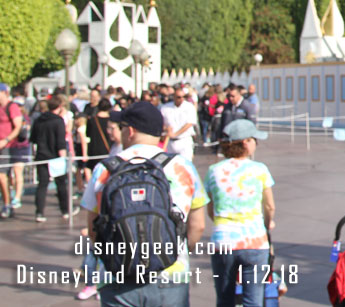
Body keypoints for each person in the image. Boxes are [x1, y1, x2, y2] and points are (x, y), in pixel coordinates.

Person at [82, 100, 208, 305]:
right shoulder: (182, 167)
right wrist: (178, 251)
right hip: (170, 275)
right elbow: (198, 225)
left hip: (116, 277)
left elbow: (93, 228)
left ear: (129, 131)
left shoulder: (104, 169)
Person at [205, 119, 276, 307]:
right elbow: (269, 206)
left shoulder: (213, 171)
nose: (256, 144)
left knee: (224, 298)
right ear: (245, 142)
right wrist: (267, 223)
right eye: (254, 140)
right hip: (254, 240)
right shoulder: (259, 169)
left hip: (223, 240)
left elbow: (211, 209)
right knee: (253, 299)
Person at [29, 96, 71, 222]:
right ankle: (65, 210)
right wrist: (64, 158)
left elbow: (33, 138)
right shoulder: (58, 121)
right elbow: (60, 142)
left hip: (41, 155)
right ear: (59, 107)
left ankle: (39, 212)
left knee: (42, 185)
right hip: (56, 157)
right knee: (61, 184)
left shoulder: (38, 120)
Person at [0, 82, 25, 218]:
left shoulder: (12, 107)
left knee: (2, 175)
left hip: (9, 147)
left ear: (4, 92)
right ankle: (6, 200)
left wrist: (6, 140)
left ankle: (7, 203)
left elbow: (17, 126)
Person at [8, 84, 32, 210]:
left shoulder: (24, 119)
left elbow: (25, 133)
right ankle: (13, 192)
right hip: (10, 146)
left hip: (20, 147)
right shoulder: (8, 116)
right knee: (9, 174)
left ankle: (17, 197)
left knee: (18, 172)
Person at [161, 87, 198, 161]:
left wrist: (176, 134)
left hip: (184, 140)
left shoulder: (189, 107)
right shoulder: (165, 108)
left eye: (184, 97)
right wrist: (166, 129)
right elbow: (161, 122)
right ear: (174, 97)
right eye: (179, 97)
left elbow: (189, 123)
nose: (181, 99)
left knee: (185, 164)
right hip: (170, 142)